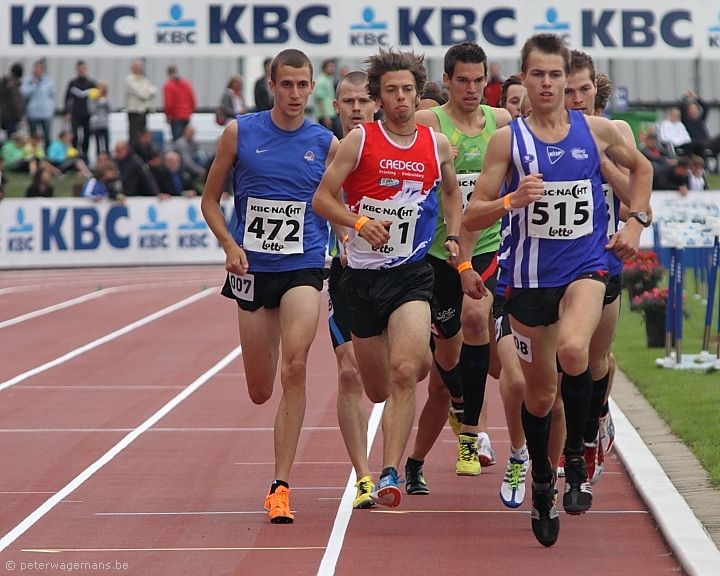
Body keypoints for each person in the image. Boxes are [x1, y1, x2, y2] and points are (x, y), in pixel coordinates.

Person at [462, 33, 652, 547]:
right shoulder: (509, 141)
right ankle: (542, 483)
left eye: (555, 75)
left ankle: (574, 461)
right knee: (540, 395)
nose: (547, 84)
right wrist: (510, 201)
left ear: (568, 79)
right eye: (537, 75)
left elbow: (643, 168)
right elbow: (471, 213)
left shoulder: (597, 131)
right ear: (522, 79)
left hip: (587, 268)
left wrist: (634, 223)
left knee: (576, 350)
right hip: (526, 282)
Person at [313, 48, 463, 509]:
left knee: (404, 373)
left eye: (408, 91)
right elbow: (322, 200)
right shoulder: (360, 141)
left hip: (410, 275)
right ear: (378, 97)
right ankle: (385, 458)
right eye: (392, 91)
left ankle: (390, 470)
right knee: (376, 386)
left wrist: (454, 236)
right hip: (359, 280)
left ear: (419, 97)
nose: (400, 98)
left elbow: (453, 192)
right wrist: (358, 223)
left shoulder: (435, 145)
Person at [201, 48, 337, 524]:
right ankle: (271, 353)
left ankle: (280, 485)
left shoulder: (326, 142)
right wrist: (228, 245)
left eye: (303, 85)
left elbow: (337, 207)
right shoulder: (240, 132)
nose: (296, 94)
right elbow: (210, 200)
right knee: (260, 390)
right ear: (271, 84)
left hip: (303, 266)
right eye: (287, 85)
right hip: (252, 271)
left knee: (295, 367)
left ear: (312, 85)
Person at [404, 42, 511, 498]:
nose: (471, 89)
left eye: (479, 80)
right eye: (462, 80)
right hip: (434, 255)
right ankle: (414, 463)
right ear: (446, 81)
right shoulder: (431, 123)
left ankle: (470, 436)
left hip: (484, 247)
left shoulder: (501, 124)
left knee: (474, 318)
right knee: (443, 368)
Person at [325, 70, 380, 509]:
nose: (356, 108)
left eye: (363, 100)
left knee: (411, 368)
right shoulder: (329, 151)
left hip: (396, 274)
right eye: (348, 101)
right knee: (349, 372)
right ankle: (364, 475)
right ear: (337, 107)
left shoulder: (389, 146)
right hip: (342, 273)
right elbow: (321, 201)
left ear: (376, 103)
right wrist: (343, 230)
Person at [64, 60, 96, 159]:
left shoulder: (91, 83)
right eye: (80, 69)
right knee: (75, 135)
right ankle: (74, 156)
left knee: (86, 135)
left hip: (87, 114)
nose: (81, 70)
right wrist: (68, 112)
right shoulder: (73, 83)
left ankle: (85, 155)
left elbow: (95, 99)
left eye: (83, 68)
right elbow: (67, 98)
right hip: (75, 113)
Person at [20, 60, 56, 150]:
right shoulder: (29, 80)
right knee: (33, 135)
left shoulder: (48, 80)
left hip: (45, 112)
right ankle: (33, 152)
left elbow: (52, 94)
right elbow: (23, 93)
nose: (38, 70)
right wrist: (34, 84)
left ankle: (47, 154)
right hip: (33, 112)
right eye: (37, 68)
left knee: (47, 136)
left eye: (40, 68)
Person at [125, 59, 158, 146]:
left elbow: (154, 90)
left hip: (143, 111)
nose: (138, 69)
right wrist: (147, 92)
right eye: (136, 66)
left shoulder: (143, 79)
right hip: (134, 111)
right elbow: (141, 94)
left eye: (140, 67)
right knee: (134, 136)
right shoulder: (130, 79)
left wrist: (146, 92)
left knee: (142, 136)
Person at [164, 65, 196, 142]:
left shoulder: (169, 85)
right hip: (186, 115)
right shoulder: (186, 83)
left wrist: (168, 115)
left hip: (175, 116)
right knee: (185, 139)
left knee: (177, 140)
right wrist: (190, 111)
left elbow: (169, 103)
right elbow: (192, 99)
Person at [314, 59, 342, 138]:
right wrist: (326, 116)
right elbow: (319, 99)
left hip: (331, 113)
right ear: (324, 68)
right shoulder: (321, 80)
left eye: (333, 67)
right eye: (330, 66)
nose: (332, 69)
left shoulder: (328, 79)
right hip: (326, 114)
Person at [88, 81, 114, 156]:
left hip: (105, 124)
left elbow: (112, 108)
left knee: (106, 145)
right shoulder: (92, 99)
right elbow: (91, 110)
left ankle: (107, 159)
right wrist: (97, 102)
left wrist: (106, 102)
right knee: (97, 146)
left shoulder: (107, 98)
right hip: (96, 125)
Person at [0, 63, 25, 138]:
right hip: (12, 116)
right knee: (12, 138)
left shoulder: (3, 82)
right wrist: (20, 117)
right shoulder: (14, 85)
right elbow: (15, 101)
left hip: (3, 115)